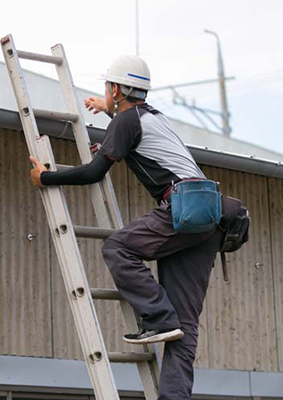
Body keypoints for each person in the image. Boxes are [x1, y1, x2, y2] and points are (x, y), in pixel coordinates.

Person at [28, 55, 225, 400]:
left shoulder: (125, 123)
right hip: (209, 213)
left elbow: (93, 173)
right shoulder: (155, 118)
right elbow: (134, 130)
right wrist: (107, 109)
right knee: (185, 326)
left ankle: (159, 315)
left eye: (107, 88)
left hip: (181, 206)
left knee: (117, 247)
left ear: (116, 88)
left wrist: (45, 177)